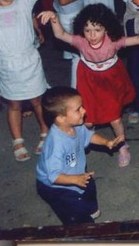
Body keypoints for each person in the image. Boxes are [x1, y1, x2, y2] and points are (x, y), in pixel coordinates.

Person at [39, 4, 139, 167]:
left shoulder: (113, 42)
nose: (92, 35)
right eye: (87, 30)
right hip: (88, 80)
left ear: (107, 29)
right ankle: (80, 144)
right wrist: (54, 18)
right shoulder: (81, 42)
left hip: (110, 81)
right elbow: (60, 34)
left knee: (115, 119)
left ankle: (123, 146)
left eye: (97, 30)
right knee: (87, 121)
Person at [36, 86, 125, 225]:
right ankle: (84, 228)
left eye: (81, 106)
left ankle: (90, 209)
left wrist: (106, 142)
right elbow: (54, 176)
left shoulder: (76, 125)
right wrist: (75, 180)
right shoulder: (55, 144)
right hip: (56, 186)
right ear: (60, 118)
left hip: (76, 173)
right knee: (74, 212)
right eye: (78, 109)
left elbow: (88, 136)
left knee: (89, 186)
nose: (84, 111)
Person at [0, 0, 49, 162]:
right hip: (6, 64)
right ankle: (17, 139)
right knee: (14, 104)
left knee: (37, 100)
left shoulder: (24, 3)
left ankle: (45, 130)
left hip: (29, 61)